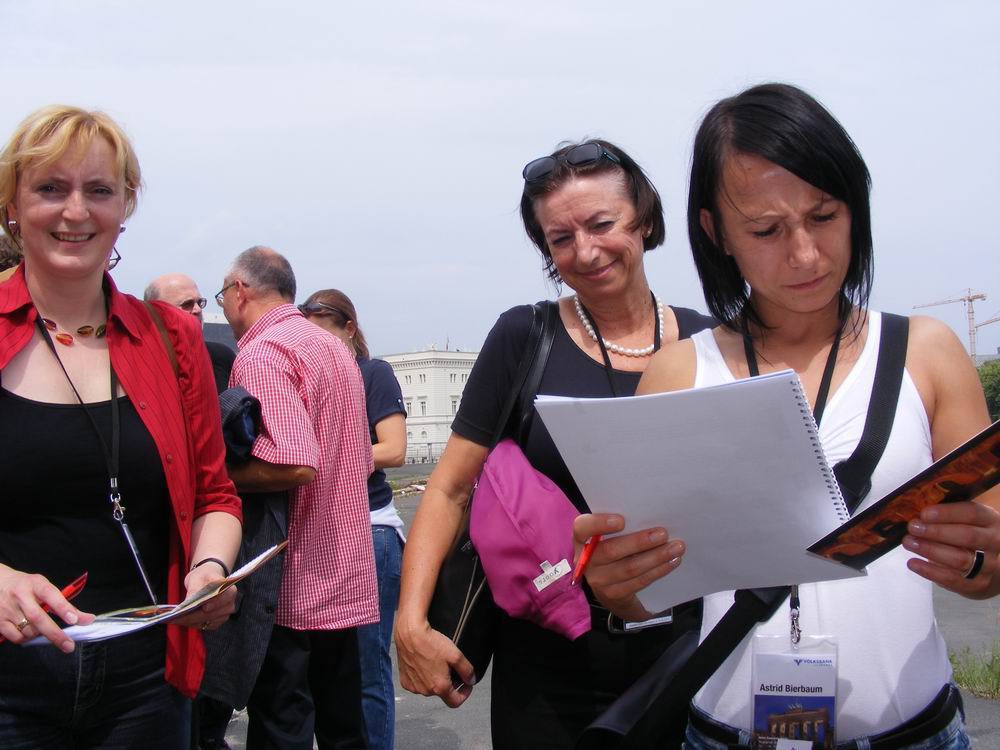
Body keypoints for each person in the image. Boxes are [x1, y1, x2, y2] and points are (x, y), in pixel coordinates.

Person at [600, 83, 1000, 749]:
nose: (806, 254)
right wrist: (616, 586)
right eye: (766, 230)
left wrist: (985, 559)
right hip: (723, 733)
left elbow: (992, 548)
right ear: (715, 232)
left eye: (825, 215)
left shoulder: (926, 353)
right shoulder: (678, 372)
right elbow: (648, 592)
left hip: (916, 732)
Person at [395, 139, 715, 749]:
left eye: (602, 224)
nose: (585, 252)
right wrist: (410, 623)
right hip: (548, 663)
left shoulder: (710, 344)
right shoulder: (526, 336)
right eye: (560, 239)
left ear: (643, 219)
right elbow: (449, 487)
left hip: (690, 656)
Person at [0, 105, 242, 748]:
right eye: (51, 188)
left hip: (144, 680)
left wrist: (210, 568)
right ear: (12, 205)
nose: (76, 211)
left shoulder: (172, 338)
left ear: (125, 205)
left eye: (99, 190)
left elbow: (216, 496)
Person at [218, 246, 378, 750]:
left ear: (241, 291)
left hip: (289, 579)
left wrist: (218, 475)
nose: (222, 306)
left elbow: (295, 462)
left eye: (222, 294)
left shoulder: (265, 351)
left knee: (282, 723)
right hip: (344, 566)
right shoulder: (332, 347)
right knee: (343, 722)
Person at [301, 288, 407, 750]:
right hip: (320, 533)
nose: (317, 345)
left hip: (370, 527)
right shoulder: (306, 378)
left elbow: (396, 449)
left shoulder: (372, 373)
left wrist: (329, 457)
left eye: (325, 332)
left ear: (350, 330)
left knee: (367, 665)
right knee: (329, 667)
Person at [144, 273, 235, 394]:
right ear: (155, 313)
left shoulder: (221, 358)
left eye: (200, 302)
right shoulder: (141, 364)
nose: (198, 309)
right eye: (187, 304)